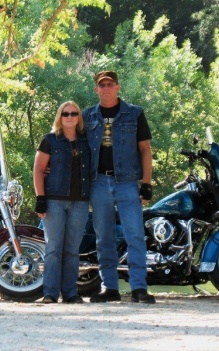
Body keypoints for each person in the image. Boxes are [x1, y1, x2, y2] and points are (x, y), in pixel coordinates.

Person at [82, 70, 155, 303]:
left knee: (135, 235)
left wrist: (146, 183)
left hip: (127, 183)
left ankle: (139, 288)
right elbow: (77, 150)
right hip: (98, 182)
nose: (106, 88)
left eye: (110, 84)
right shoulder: (87, 116)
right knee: (104, 237)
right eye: (101, 85)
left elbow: (145, 149)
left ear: (117, 87)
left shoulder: (134, 114)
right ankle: (109, 287)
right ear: (96, 89)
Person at [33, 101, 90, 304]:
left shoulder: (87, 140)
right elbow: (39, 169)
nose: (69, 116)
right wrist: (41, 198)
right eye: (65, 113)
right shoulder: (49, 140)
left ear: (79, 117)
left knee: (72, 250)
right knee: (54, 248)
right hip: (54, 200)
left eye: (74, 113)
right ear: (60, 116)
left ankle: (70, 293)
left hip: (80, 202)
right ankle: (49, 293)